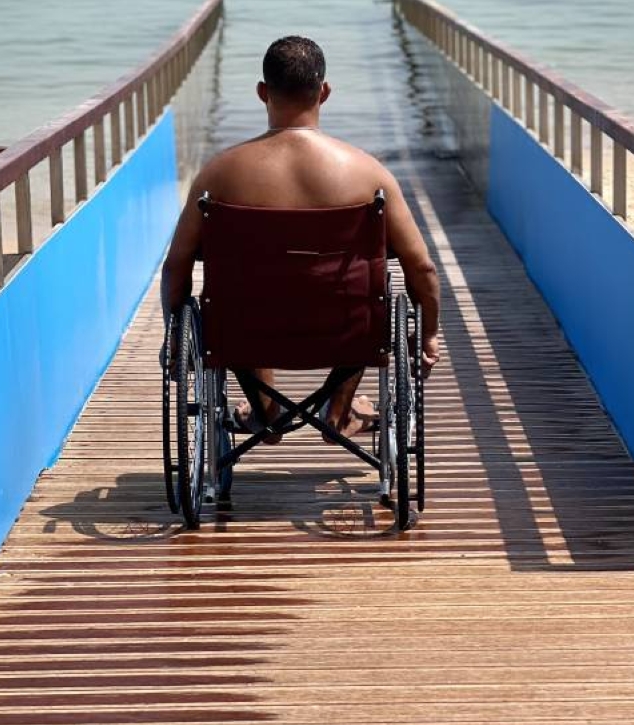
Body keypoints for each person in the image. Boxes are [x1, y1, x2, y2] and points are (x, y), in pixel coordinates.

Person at [160, 35, 441, 440]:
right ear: (324, 92)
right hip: (345, 331)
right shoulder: (368, 174)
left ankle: (267, 412)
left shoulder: (217, 177)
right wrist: (428, 334)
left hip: (245, 331)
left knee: (239, 299)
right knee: (368, 304)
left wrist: (173, 338)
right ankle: (339, 412)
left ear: (262, 92)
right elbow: (422, 266)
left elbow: (177, 265)